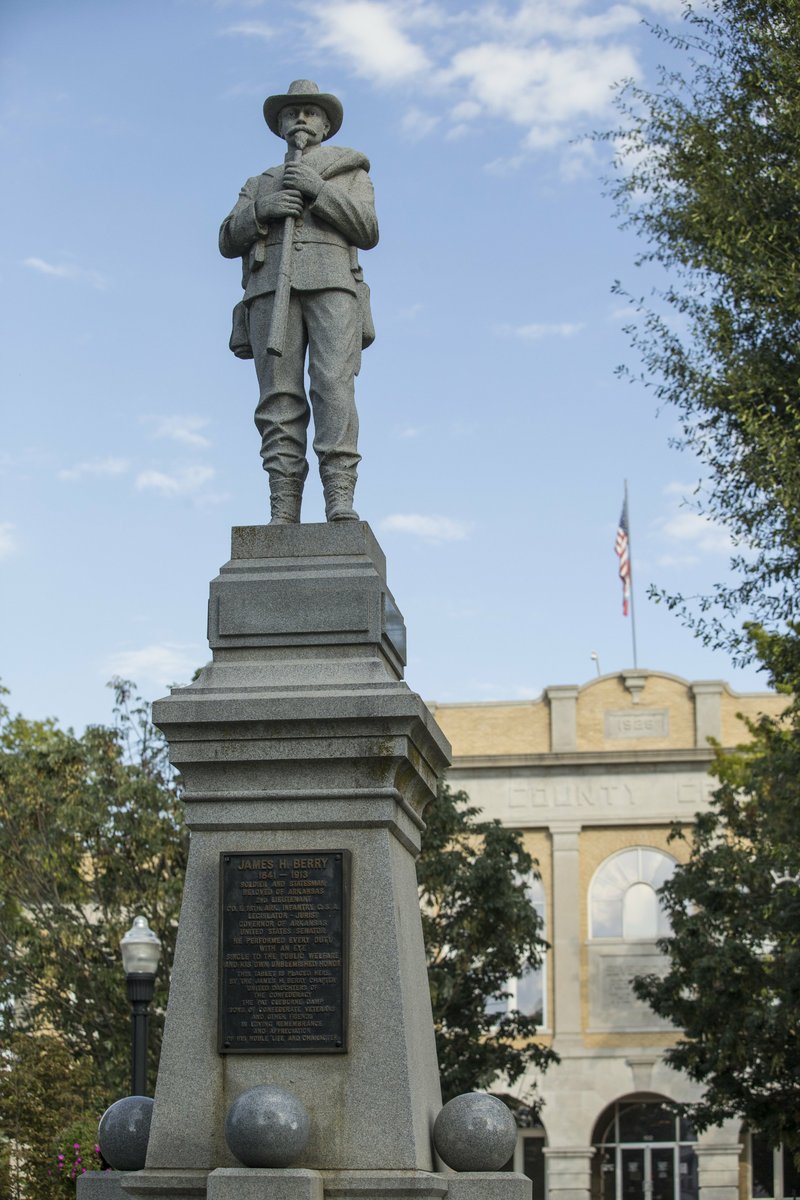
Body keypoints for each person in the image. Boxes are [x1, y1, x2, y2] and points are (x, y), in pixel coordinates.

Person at [220, 80, 378, 523]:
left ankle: (339, 497)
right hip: (270, 289)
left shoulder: (351, 172)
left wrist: (318, 190)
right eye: (293, 113)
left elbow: (367, 229)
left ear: (326, 124)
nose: (302, 120)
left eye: (310, 112)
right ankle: (283, 503)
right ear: (280, 125)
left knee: (333, 387)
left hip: (332, 285)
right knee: (278, 398)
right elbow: (226, 238)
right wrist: (261, 212)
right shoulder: (260, 183)